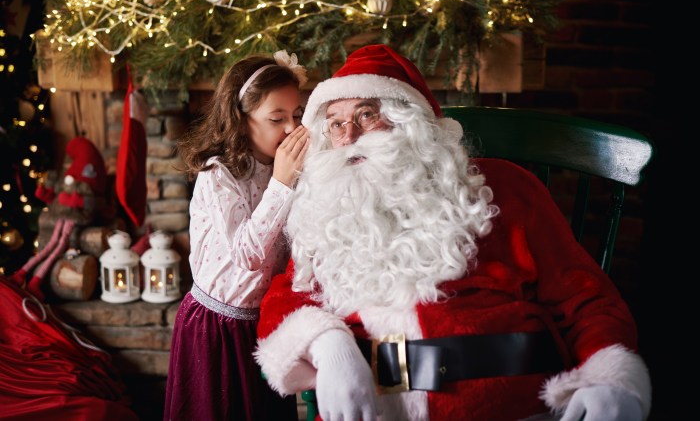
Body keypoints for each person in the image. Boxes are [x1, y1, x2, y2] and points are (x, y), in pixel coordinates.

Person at [254, 44, 651, 421]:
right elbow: (285, 298)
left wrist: (609, 377)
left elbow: (585, 297)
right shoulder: (329, 205)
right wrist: (329, 346)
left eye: (365, 115)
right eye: (336, 124)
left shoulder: (505, 188)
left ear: (409, 121)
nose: (348, 137)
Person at [164, 50, 309, 421]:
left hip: (263, 324)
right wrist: (281, 182)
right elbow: (248, 254)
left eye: (296, 116)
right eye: (276, 118)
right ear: (241, 120)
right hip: (216, 328)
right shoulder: (219, 175)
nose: (292, 129)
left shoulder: (286, 169)